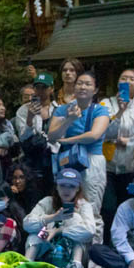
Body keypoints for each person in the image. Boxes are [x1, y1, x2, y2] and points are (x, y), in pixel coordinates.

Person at [48, 70, 109, 214]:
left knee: (92, 206)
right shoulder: (62, 110)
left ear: (95, 90)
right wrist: (69, 119)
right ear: (74, 87)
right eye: (79, 83)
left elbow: (93, 135)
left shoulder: (100, 110)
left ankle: (93, 236)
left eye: (88, 84)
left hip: (91, 159)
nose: (83, 87)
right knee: (66, 203)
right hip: (68, 159)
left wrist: (67, 140)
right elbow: (52, 136)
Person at [23, 168, 96, 268]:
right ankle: (26, 264)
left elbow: (90, 231)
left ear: (77, 189)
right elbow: (27, 224)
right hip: (48, 243)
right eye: (62, 185)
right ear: (56, 186)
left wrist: (59, 231)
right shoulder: (47, 201)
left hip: (71, 248)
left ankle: (76, 266)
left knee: (75, 218)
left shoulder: (84, 205)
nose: (66, 190)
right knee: (35, 232)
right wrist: (53, 217)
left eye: (71, 186)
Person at [100, 68, 134, 227]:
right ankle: (107, 245)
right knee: (108, 208)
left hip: (132, 168)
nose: (127, 82)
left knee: (129, 208)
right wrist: (120, 111)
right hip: (107, 167)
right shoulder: (105, 104)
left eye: (132, 79)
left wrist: (127, 141)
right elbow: (102, 132)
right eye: (123, 78)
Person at [15, 71, 58, 198]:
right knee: (32, 196)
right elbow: (22, 137)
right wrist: (30, 118)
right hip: (32, 159)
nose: (40, 91)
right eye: (37, 87)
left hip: (52, 158)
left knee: (52, 195)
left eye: (44, 87)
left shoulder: (58, 109)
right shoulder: (23, 110)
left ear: (51, 89)